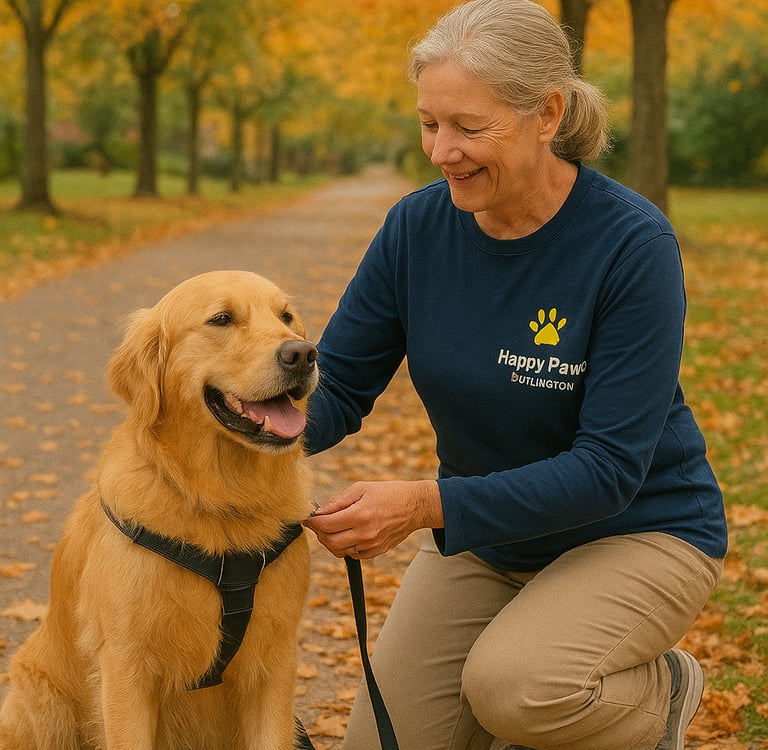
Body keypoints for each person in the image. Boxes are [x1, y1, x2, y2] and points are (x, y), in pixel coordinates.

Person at [303, 1, 727, 748]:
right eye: (429, 123)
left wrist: (423, 504)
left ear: (547, 114)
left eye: (469, 128)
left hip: (636, 531)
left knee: (518, 689)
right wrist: (241, 418)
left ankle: (660, 694)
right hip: (491, 542)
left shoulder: (631, 244)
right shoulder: (416, 228)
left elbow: (607, 471)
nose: (442, 152)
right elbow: (336, 385)